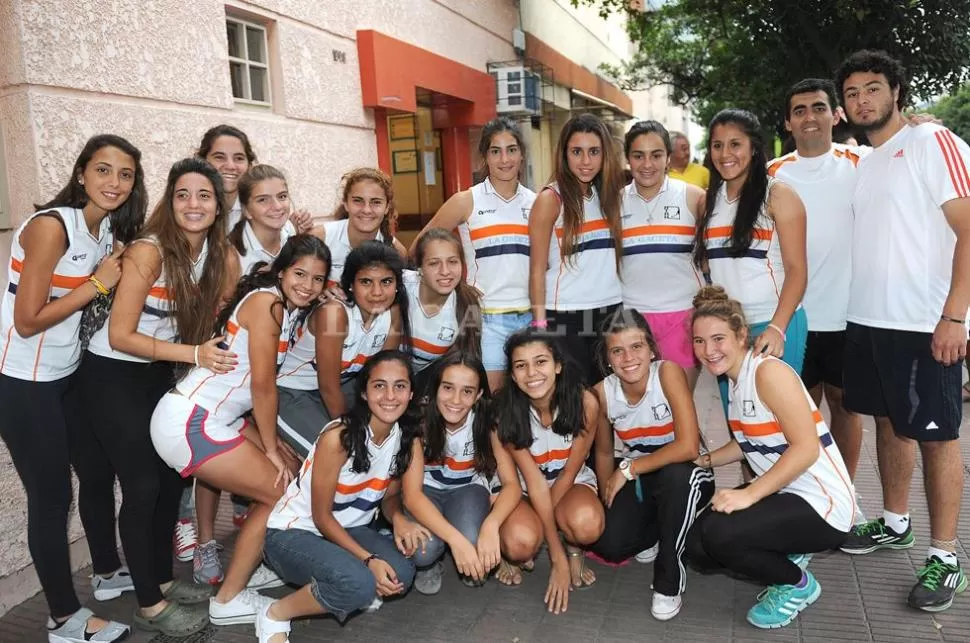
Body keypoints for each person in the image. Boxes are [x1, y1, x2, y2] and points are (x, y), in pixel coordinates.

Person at [78, 158, 236, 635]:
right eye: (183, 194)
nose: (193, 204)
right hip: (110, 373)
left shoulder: (217, 254)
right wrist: (193, 353)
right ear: (170, 200)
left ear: (217, 205)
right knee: (143, 485)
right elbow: (122, 334)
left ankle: (164, 581)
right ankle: (148, 603)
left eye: (204, 195)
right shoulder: (149, 252)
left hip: (156, 374)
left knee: (171, 481)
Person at [835, 50, 969, 611]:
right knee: (891, 424)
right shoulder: (866, 161)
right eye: (852, 93)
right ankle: (894, 522)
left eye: (872, 88)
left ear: (896, 90)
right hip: (869, 321)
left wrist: (955, 316)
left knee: (938, 438)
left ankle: (946, 557)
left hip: (924, 323)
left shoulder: (932, 143)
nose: (862, 99)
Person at [0, 134, 145, 643]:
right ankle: (62, 617)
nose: (114, 183)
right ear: (81, 173)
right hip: (23, 381)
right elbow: (27, 320)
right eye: (103, 170)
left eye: (125, 174)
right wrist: (99, 285)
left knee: (95, 468)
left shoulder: (101, 232)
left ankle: (105, 572)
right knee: (51, 497)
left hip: (67, 375)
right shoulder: (51, 227)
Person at [150, 234, 329, 627]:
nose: (308, 285)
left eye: (318, 279)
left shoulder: (280, 304)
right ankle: (228, 600)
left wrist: (273, 445)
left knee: (287, 479)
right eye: (300, 273)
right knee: (281, 491)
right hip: (191, 419)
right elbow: (262, 385)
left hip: (211, 418)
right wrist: (268, 448)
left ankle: (252, 570)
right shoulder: (268, 303)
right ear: (281, 271)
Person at [686, 286, 855, 629]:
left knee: (719, 534)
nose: (708, 350)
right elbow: (748, 442)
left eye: (718, 339)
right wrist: (703, 461)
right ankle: (787, 547)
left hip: (824, 505)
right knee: (697, 548)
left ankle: (797, 584)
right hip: (791, 496)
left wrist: (749, 492)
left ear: (741, 335)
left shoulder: (767, 373)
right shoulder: (735, 382)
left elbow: (805, 448)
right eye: (699, 341)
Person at [257, 351, 422, 641]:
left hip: (349, 529)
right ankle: (275, 614)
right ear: (364, 392)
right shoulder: (340, 436)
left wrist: (398, 519)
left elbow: (389, 497)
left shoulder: (403, 437)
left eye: (400, 386)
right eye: (379, 385)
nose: (390, 396)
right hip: (294, 533)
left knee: (402, 575)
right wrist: (368, 560)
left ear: (410, 394)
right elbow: (321, 517)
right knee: (357, 583)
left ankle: (343, 583)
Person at [765, 79, 867, 482]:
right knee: (796, 409)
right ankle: (805, 493)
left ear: (835, 114)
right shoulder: (771, 174)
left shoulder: (862, 162)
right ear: (788, 122)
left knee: (845, 407)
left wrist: (920, 124)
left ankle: (846, 493)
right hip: (793, 317)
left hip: (848, 313)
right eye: (800, 110)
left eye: (819, 107)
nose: (810, 117)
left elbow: (904, 150)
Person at [589, 308, 714, 621]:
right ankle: (662, 528)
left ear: (651, 349)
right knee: (611, 544)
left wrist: (628, 470)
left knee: (675, 476)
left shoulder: (667, 372)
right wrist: (608, 496)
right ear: (606, 358)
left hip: (688, 473)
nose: (628, 358)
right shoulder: (602, 393)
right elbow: (604, 455)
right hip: (643, 473)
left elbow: (686, 447)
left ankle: (669, 579)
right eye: (617, 350)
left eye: (636, 347)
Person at [694, 108, 808, 416]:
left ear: (754, 148)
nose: (725, 154)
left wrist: (777, 329)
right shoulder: (708, 202)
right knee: (743, 433)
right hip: (729, 332)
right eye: (717, 145)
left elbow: (798, 272)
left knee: (776, 428)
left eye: (735, 144)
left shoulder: (779, 195)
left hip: (774, 324)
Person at [414, 117, 537, 392]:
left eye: (511, 149)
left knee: (526, 404)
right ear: (484, 156)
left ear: (521, 154)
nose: (504, 159)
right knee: (492, 404)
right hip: (486, 319)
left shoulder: (538, 203)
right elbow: (419, 249)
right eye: (495, 151)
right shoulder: (466, 201)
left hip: (530, 319)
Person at [495, 329, 605, 614]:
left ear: (557, 365)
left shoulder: (585, 402)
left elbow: (569, 473)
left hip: (567, 483)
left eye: (541, 362)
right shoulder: (504, 410)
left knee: (587, 524)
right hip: (522, 489)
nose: (532, 373)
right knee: (520, 543)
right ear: (513, 374)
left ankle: (574, 549)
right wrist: (554, 557)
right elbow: (534, 483)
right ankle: (512, 554)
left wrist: (549, 535)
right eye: (521, 365)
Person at [401, 352, 522, 595]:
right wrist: (457, 542)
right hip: (427, 492)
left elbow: (512, 485)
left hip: (466, 489)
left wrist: (491, 525)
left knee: (475, 539)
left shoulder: (487, 422)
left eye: (467, 391)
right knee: (423, 551)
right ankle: (432, 563)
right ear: (435, 389)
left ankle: (467, 544)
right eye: (447, 388)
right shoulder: (418, 422)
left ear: (478, 396)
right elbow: (412, 496)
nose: (455, 400)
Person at [276, 241, 409, 458]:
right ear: (349, 285)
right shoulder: (334, 314)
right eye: (366, 282)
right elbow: (328, 386)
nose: (377, 292)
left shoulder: (393, 311)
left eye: (386, 281)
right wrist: (354, 433)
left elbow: (383, 376)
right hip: (293, 392)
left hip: (345, 386)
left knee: (388, 446)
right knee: (339, 454)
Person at [529, 113, 626, 385]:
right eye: (577, 152)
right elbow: (536, 269)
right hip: (567, 316)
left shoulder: (608, 197)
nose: (586, 161)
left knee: (609, 399)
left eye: (594, 152)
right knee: (579, 402)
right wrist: (539, 327)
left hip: (611, 311)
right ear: (564, 154)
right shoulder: (551, 199)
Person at [620, 120, 705, 389]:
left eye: (656, 155)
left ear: (668, 158)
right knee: (643, 411)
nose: (647, 164)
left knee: (681, 409)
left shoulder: (694, 198)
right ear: (628, 159)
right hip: (631, 319)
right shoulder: (613, 202)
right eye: (638, 155)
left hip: (683, 317)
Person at [196, 124, 313, 233]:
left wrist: (294, 230)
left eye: (239, 158)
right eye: (219, 157)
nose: (230, 166)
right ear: (203, 161)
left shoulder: (261, 209)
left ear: (249, 164)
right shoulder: (189, 208)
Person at [405, 228, 482, 390]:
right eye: (434, 263)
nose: (445, 271)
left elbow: (465, 365)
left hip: (423, 383)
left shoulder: (467, 304)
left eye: (453, 262)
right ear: (419, 268)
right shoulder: (397, 285)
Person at [317, 168, 407, 290]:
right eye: (358, 201)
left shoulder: (397, 252)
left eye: (376, 202)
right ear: (346, 203)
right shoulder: (320, 238)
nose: (366, 210)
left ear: (387, 207)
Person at [228, 165, 300, 278]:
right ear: (246, 210)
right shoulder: (232, 257)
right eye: (263, 200)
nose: (277, 206)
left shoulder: (289, 230)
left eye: (282, 196)